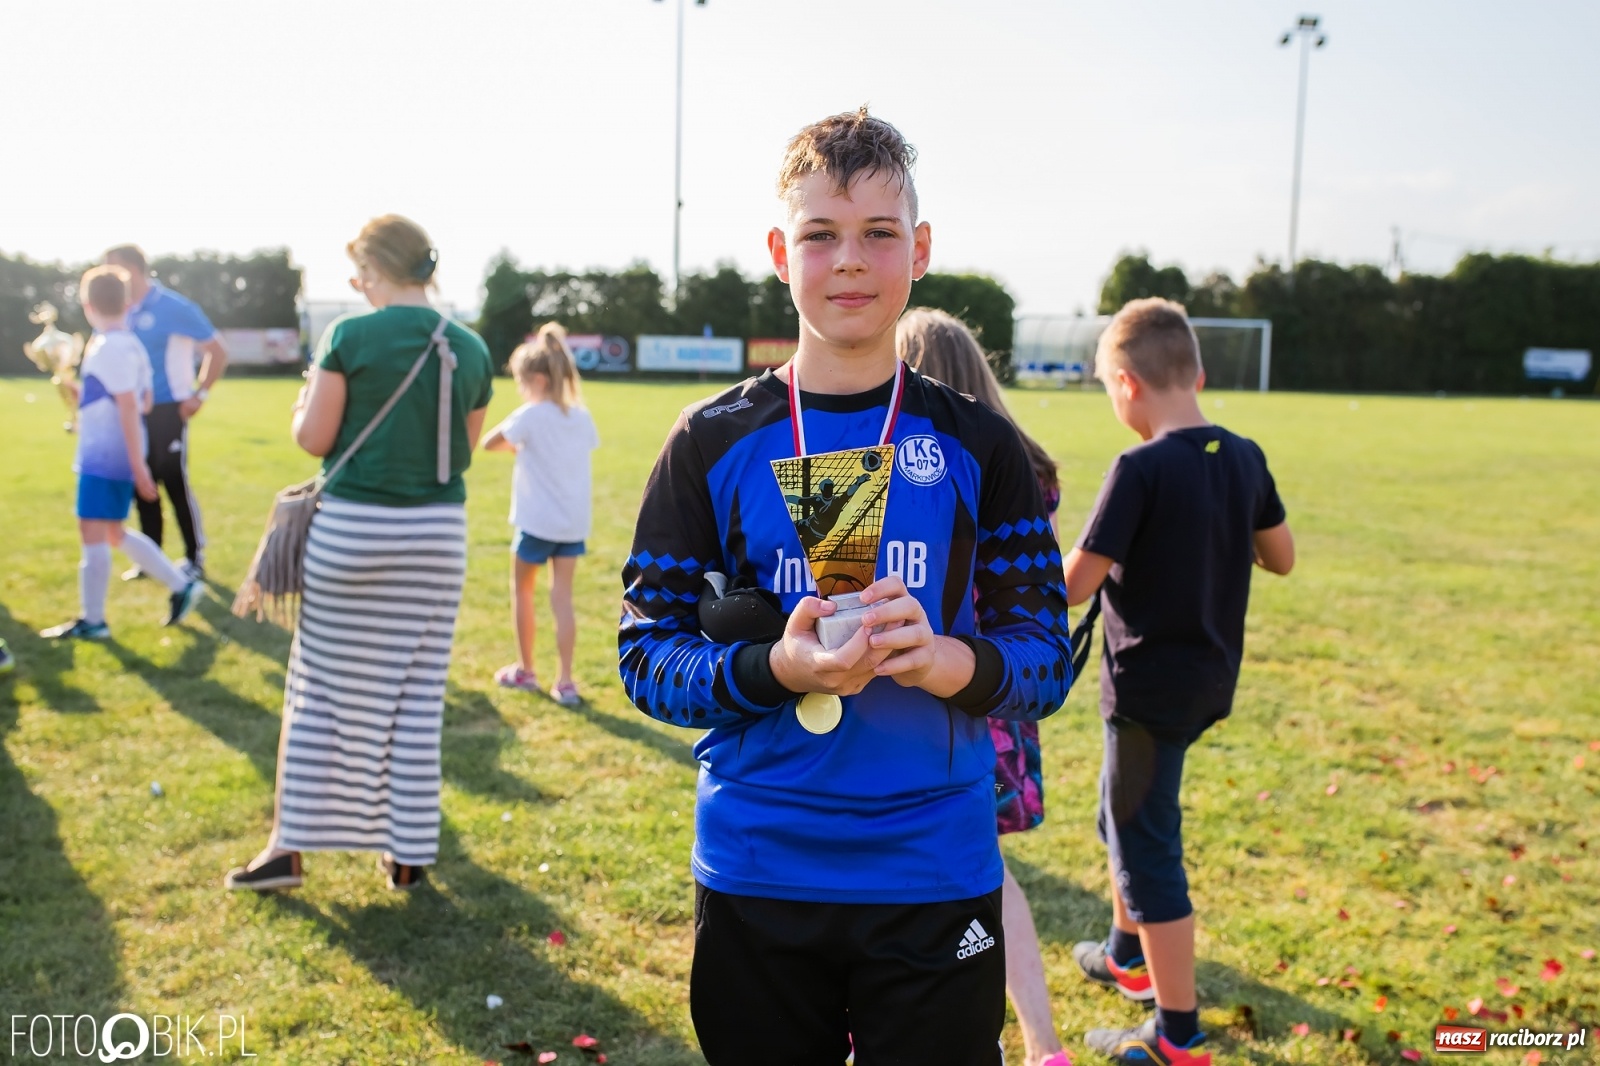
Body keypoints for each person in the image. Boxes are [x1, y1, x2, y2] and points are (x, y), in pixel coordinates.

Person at [619, 108, 1075, 1065]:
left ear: (921, 249)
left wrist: (951, 661)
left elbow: (1045, 660)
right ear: (783, 251)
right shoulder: (711, 439)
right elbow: (644, 653)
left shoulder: (978, 444)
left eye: (879, 234)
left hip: (934, 868)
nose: (852, 262)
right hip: (759, 862)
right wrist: (774, 667)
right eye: (822, 235)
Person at [224, 215, 494, 893]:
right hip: (436, 537)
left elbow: (314, 438)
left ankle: (288, 849)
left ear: (374, 269)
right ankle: (406, 853)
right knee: (413, 695)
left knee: (317, 694)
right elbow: (460, 453)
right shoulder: (473, 348)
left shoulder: (349, 335)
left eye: (359, 273)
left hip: (353, 530)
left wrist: (299, 407)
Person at [1062, 298, 1295, 1066]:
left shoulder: (1139, 467)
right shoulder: (1244, 454)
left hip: (1145, 693)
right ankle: (1126, 954)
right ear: (1195, 371)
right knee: (1121, 816)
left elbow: (1074, 585)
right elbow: (1281, 556)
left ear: (1125, 385)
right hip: (1206, 681)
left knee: (1145, 845)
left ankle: (1178, 1036)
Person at [897, 306, 1073, 1066]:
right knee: (989, 877)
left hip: (943, 705)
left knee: (942, 883)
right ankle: (1042, 1043)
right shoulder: (1027, 465)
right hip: (1003, 699)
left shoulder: (937, 466)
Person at [41, 266, 204, 641]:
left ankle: (94, 620)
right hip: (113, 453)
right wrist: (77, 395)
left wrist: (137, 466)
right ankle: (180, 585)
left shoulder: (108, 347)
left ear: (87, 305)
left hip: (107, 456)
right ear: (127, 303)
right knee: (113, 531)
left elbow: (132, 408)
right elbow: (139, 400)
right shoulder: (130, 344)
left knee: (94, 530)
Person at [482, 322, 599, 706]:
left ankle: (526, 670)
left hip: (535, 522)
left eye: (519, 381)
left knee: (523, 592)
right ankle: (565, 681)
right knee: (562, 599)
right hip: (571, 523)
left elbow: (489, 443)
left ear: (534, 379)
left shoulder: (529, 416)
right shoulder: (580, 417)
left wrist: (521, 435)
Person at [103, 244, 229, 581]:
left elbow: (217, 352)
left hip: (169, 409)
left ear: (132, 269)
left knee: (173, 482)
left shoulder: (174, 307)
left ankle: (194, 557)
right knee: (141, 484)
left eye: (113, 270)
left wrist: (199, 395)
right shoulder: (120, 311)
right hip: (132, 411)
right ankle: (151, 557)